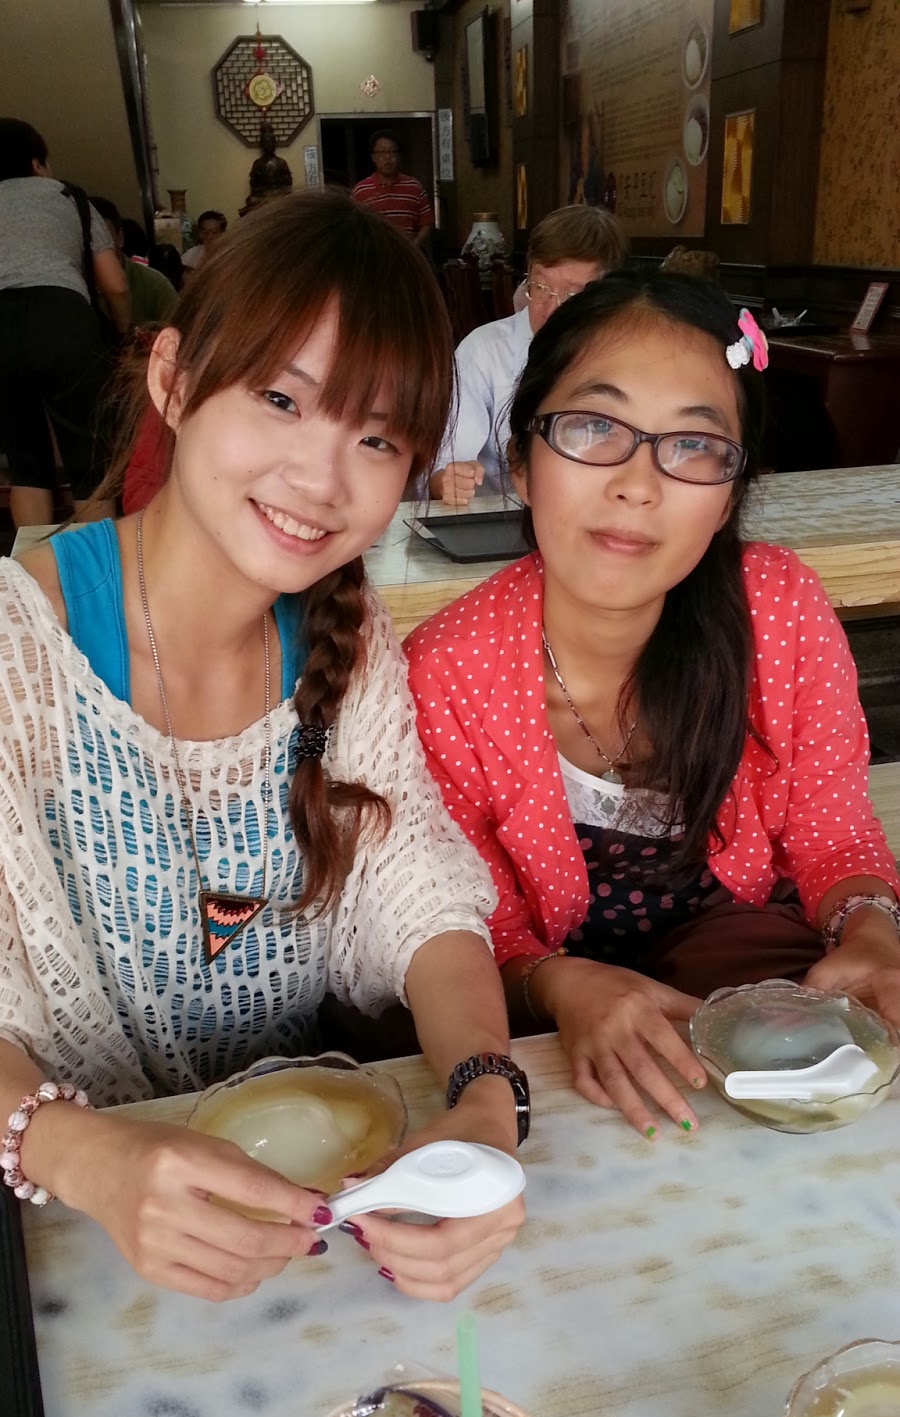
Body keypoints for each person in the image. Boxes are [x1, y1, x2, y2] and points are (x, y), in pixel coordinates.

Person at [0, 191, 525, 1303]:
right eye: (281, 399)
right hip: (68, 1244)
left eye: (376, 437)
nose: (320, 480)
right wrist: (83, 1153)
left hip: (307, 1218)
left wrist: (487, 1099)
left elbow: (418, 893)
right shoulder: (20, 648)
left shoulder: (347, 635)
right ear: (174, 378)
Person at [405, 269, 900, 1138]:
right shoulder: (446, 672)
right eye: (594, 427)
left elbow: (833, 838)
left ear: (731, 492)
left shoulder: (777, 608)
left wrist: (871, 927)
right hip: (540, 998)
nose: (638, 483)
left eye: (694, 445)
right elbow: (474, 925)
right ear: (520, 461)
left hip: (735, 967)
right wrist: (559, 983)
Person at [429, 205, 628, 506]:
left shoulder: (631, 357)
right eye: (540, 287)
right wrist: (447, 481)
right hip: (502, 520)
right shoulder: (485, 351)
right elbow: (441, 469)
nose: (552, 309)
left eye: (572, 295)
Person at [0, 118, 130, 529]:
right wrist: (122, 334)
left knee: (26, 463)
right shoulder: (68, 196)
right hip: (62, 320)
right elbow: (115, 285)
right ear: (36, 163)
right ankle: (93, 566)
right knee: (90, 463)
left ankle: (28, 568)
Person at [90, 195, 178, 325]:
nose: (94, 247)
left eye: (103, 239)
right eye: (86, 240)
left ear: (120, 238)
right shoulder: (72, 287)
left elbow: (180, 327)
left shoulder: (153, 285)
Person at [351, 130, 434, 245]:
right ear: (373, 157)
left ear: (399, 156)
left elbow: (426, 223)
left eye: (392, 152)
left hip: (406, 253)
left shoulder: (414, 187)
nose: (387, 157)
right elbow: (352, 226)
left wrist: (414, 245)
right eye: (382, 152)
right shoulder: (360, 190)